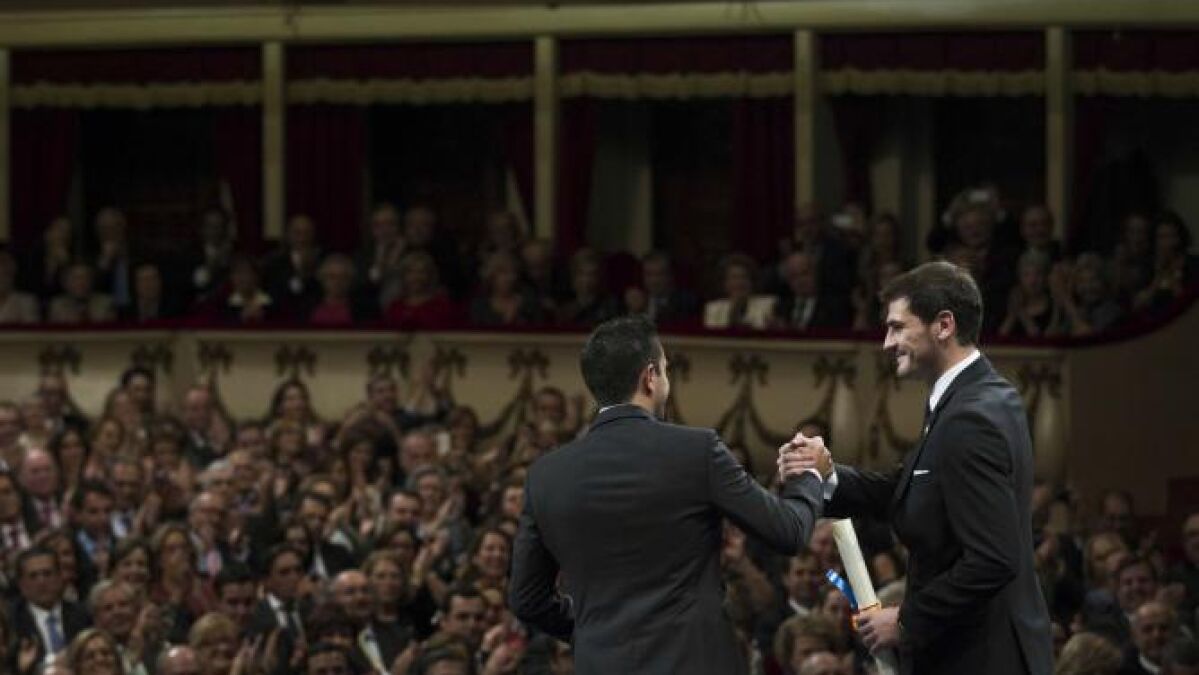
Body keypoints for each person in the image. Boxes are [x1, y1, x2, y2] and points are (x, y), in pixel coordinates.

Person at [509, 315, 824, 674]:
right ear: (650, 377)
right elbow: (788, 531)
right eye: (666, 371)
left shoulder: (546, 475)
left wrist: (593, 631)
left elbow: (527, 599)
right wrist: (808, 471)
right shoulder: (697, 451)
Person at [789, 261, 1052, 674]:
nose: (886, 343)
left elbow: (994, 558)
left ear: (943, 325)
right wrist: (828, 474)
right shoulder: (972, 399)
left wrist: (906, 620)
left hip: (980, 658)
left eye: (897, 327)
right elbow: (910, 486)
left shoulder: (971, 416)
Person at [704, 253, 775, 330]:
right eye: (734, 277)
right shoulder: (713, 308)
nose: (739, 282)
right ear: (725, 283)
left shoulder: (767, 305)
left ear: (751, 282)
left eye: (744, 277)